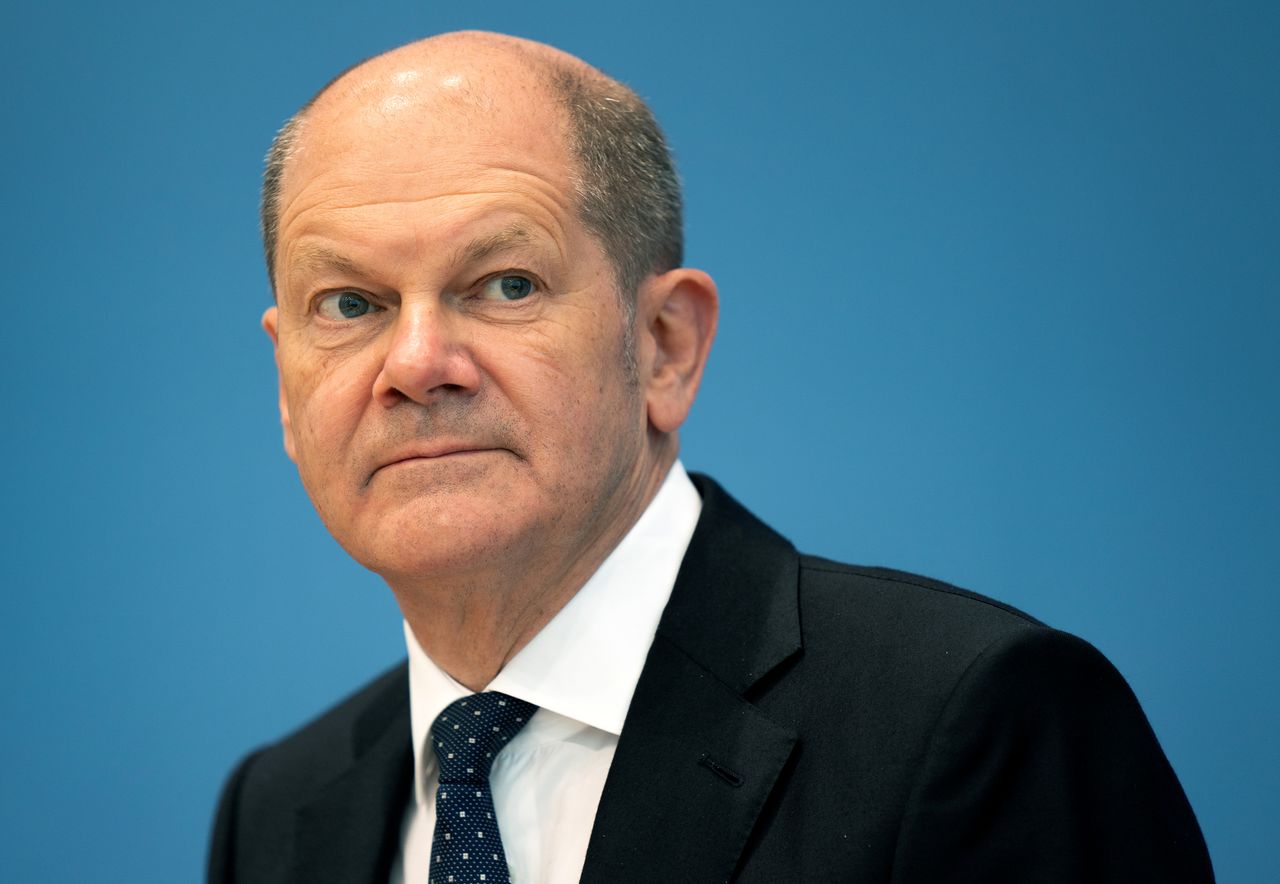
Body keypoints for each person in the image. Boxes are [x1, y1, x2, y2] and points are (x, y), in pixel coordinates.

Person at [208, 30, 1214, 884]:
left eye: (504, 283)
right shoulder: (277, 809)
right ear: (287, 388)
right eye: (349, 304)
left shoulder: (970, 719)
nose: (417, 363)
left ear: (664, 346)